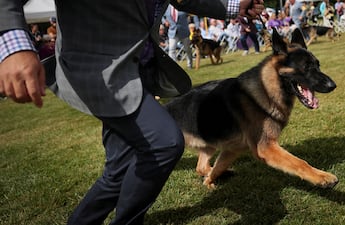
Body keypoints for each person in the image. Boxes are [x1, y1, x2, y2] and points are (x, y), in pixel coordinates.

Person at [0, 0, 264, 224]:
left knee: (119, 169)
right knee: (163, 142)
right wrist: (13, 44)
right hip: (97, 68)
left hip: (137, 69)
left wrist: (234, 6)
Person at [164, 5, 193, 69]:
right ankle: (174, 67)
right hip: (173, 32)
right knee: (171, 50)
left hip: (184, 32)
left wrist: (196, 24)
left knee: (187, 49)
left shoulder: (183, 5)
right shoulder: (166, 7)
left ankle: (189, 64)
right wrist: (164, 21)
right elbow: (161, 16)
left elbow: (193, 14)